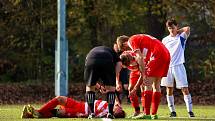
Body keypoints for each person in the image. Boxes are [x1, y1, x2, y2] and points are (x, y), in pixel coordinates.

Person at [116, 34, 170, 119]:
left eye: (124, 48)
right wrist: (118, 82)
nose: (126, 50)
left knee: (146, 85)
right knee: (156, 85)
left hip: (156, 55)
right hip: (166, 54)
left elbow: (140, 58)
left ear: (123, 44)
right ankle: (153, 114)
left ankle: (146, 114)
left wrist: (144, 75)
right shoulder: (138, 41)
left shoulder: (131, 41)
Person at [161, 18, 195, 117]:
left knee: (184, 88)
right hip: (167, 67)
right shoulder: (165, 39)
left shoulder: (181, 36)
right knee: (169, 89)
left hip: (179, 66)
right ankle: (172, 111)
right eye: (169, 28)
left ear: (177, 26)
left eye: (173, 27)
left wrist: (177, 31)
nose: (171, 29)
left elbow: (187, 28)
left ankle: (190, 111)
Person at [85, 46, 122, 119]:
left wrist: (99, 87)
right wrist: (113, 78)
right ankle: (110, 113)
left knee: (90, 87)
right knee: (111, 89)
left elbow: (90, 80)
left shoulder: (91, 51)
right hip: (107, 60)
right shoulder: (112, 51)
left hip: (91, 60)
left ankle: (92, 113)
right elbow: (119, 64)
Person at [21, 95, 126, 118]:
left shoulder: (107, 113)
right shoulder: (113, 105)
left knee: (58, 112)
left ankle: (33, 114)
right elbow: (116, 97)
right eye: (119, 107)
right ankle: (33, 113)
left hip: (80, 110)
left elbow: (93, 116)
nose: (118, 107)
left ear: (117, 113)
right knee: (59, 100)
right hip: (79, 105)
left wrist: (83, 115)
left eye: (119, 109)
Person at [119, 51, 146, 118]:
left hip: (142, 71)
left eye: (129, 64)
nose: (129, 66)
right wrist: (117, 82)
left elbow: (142, 75)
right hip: (134, 72)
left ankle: (144, 111)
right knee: (130, 89)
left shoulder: (137, 58)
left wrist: (135, 88)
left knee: (143, 88)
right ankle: (137, 111)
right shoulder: (122, 58)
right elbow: (118, 70)